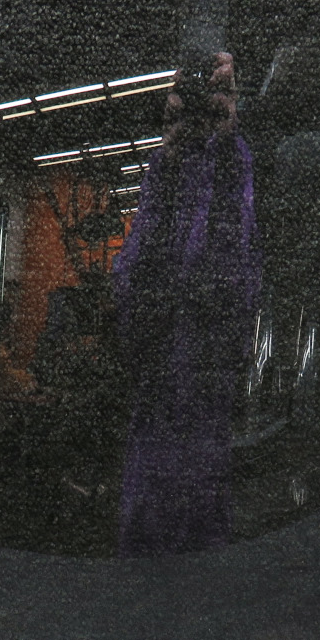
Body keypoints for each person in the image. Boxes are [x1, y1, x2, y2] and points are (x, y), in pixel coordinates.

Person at [109, 50, 261, 555]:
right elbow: (132, 284)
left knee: (193, 531)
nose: (193, 114)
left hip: (200, 410)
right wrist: (169, 153)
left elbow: (231, 280)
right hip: (159, 409)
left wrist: (227, 142)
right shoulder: (164, 177)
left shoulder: (236, 169)